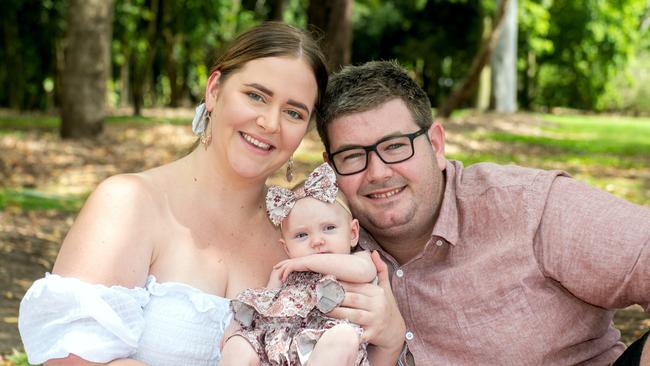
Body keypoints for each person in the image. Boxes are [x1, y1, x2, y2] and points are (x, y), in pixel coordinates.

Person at [17, 21, 328, 366]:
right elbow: (70, 360)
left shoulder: (303, 235)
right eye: (256, 96)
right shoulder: (128, 203)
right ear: (214, 90)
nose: (270, 123)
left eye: (293, 112)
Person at [316, 60, 650, 365]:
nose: (377, 173)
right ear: (330, 168)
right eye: (352, 156)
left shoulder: (528, 207)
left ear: (435, 145)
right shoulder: (323, 242)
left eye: (395, 147)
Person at [220, 163, 376, 366]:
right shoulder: (284, 270)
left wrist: (308, 262)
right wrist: (236, 329)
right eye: (302, 235)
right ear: (286, 248)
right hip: (277, 347)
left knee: (344, 337)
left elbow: (364, 272)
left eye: (328, 228)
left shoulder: (357, 260)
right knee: (238, 346)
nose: (317, 241)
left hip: (325, 345)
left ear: (353, 233)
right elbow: (262, 305)